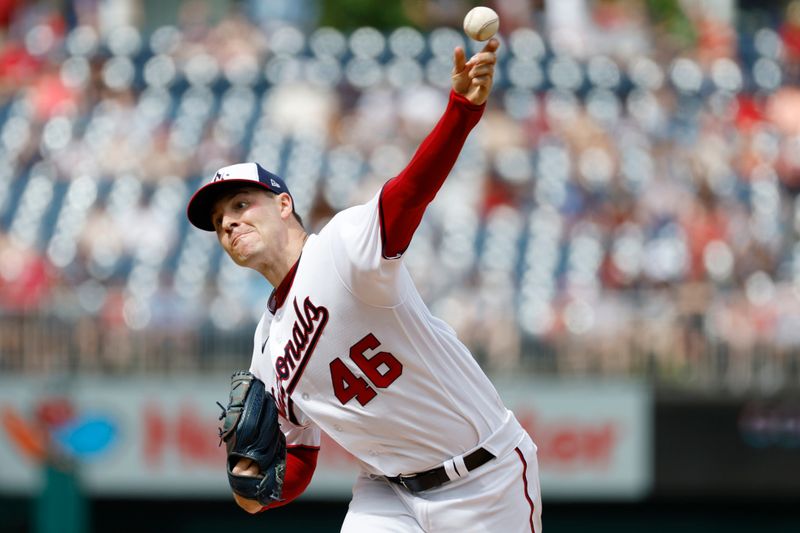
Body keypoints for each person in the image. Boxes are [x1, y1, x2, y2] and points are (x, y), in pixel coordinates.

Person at [186, 38, 542, 532]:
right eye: (219, 219)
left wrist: (462, 110)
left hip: (484, 478)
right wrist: (255, 486)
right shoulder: (266, 347)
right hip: (386, 492)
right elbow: (297, 458)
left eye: (241, 205)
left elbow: (409, 194)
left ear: (284, 204)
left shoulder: (341, 248)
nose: (227, 222)